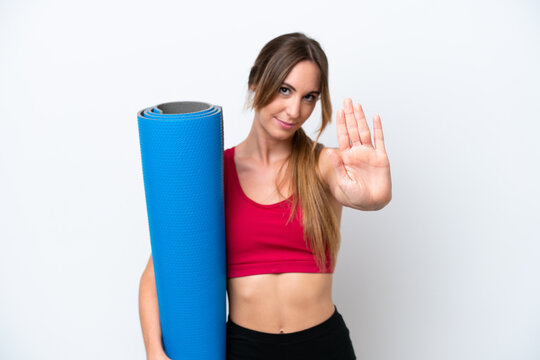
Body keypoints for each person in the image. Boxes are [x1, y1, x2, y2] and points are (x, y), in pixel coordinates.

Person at [139, 32, 392, 360]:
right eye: (285, 90)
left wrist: (375, 199)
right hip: (245, 348)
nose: (294, 110)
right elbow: (157, 273)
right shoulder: (213, 175)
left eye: (309, 97)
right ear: (256, 82)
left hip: (323, 346)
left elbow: (358, 195)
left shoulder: (326, 164)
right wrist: (153, 352)